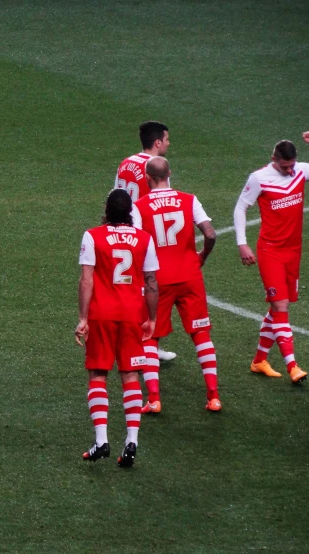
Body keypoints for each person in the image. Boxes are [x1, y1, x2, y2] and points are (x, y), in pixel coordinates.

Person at [76, 189, 159, 468]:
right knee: (131, 375)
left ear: (107, 210)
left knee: (98, 373)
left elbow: (86, 280)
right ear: (130, 213)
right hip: (131, 315)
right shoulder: (145, 239)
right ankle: (132, 440)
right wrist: (152, 318)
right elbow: (151, 283)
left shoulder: (93, 235)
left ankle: (101, 441)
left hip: (101, 314)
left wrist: (83, 318)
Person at [234, 131, 309, 384]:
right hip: (270, 251)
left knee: (277, 308)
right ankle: (293, 367)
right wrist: (242, 244)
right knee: (281, 307)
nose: (289, 171)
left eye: (292, 165)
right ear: (273, 159)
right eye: (285, 166)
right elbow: (241, 207)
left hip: (293, 251)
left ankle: (259, 360)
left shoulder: (300, 171)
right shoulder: (259, 178)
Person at [132, 157, 220, 412]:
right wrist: (201, 256)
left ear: (148, 178)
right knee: (201, 334)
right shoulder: (189, 199)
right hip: (190, 276)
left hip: (157, 280)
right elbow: (211, 233)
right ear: (169, 173)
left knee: (150, 336)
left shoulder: (139, 207)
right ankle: (213, 397)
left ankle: (154, 400)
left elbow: (137, 243)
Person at [114, 121, 176, 362]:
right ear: (157, 142)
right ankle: (147, 345)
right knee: (148, 290)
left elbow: (115, 195)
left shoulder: (125, 163)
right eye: (167, 139)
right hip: (144, 236)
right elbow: (160, 204)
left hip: (120, 232)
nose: (169, 143)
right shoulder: (156, 168)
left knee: (127, 288)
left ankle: (130, 342)